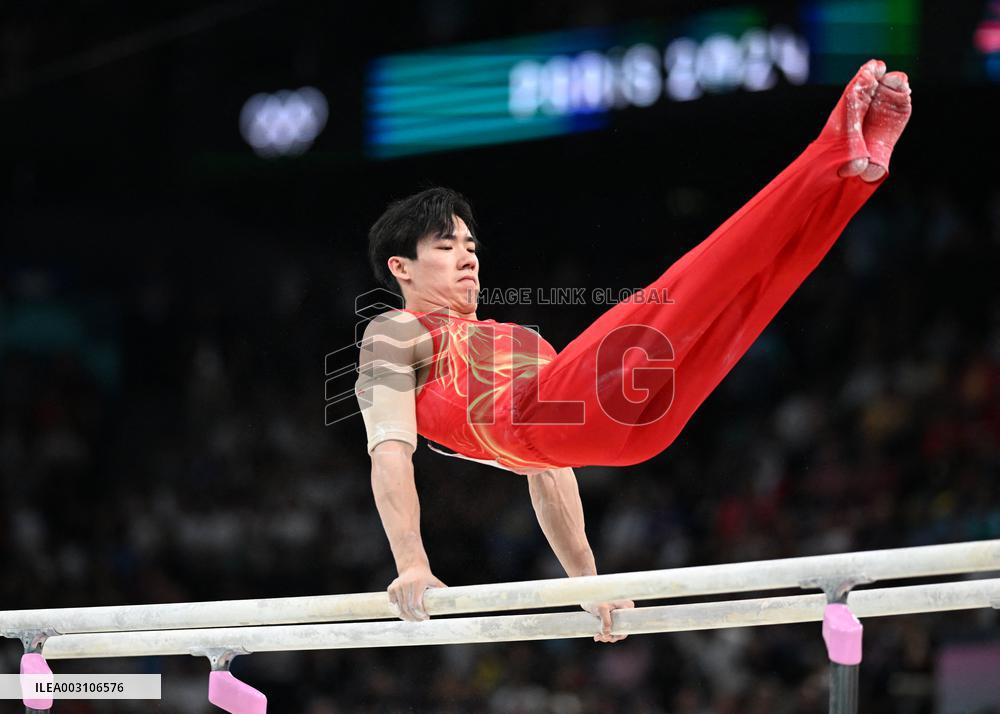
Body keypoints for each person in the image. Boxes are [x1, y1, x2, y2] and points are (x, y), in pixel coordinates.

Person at [354, 60, 912, 643]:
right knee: (704, 278)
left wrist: (586, 583)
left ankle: (852, 177)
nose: (468, 257)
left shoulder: (519, 340)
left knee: (745, 300)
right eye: (446, 247)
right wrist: (411, 562)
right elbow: (390, 453)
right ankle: (828, 154)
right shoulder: (395, 332)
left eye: (470, 244)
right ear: (402, 268)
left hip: (605, 424)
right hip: (571, 422)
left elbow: (550, 475)